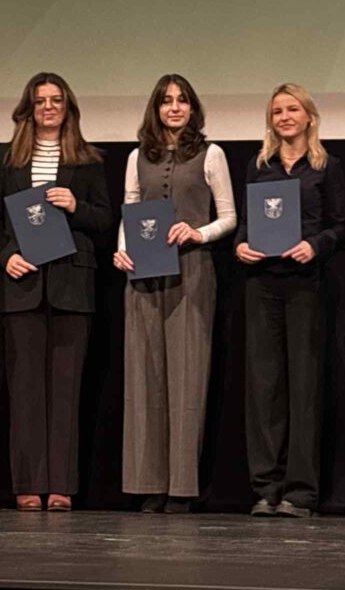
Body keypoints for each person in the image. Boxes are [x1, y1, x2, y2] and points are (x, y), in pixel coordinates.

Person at [0, 72, 111, 511]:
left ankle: (61, 485)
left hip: (72, 282)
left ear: (68, 107)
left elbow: (105, 219)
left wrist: (76, 206)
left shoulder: (89, 160)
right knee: (24, 389)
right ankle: (27, 482)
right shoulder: (4, 159)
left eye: (56, 100)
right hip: (22, 282)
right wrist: (5, 256)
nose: (49, 107)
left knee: (66, 389)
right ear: (29, 109)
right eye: (40, 101)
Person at [113, 74, 236, 514]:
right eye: (166, 101)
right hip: (144, 274)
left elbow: (229, 217)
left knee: (187, 379)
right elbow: (129, 210)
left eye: (182, 100)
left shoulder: (211, 154)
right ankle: (149, 484)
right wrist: (121, 250)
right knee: (144, 377)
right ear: (156, 108)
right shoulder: (137, 157)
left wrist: (198, 233)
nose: (174, 107)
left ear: (193, 107)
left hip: (192, 272)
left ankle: (182, 487)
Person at [235, 83, 345, 519]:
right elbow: (246, 224)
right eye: (277, 111)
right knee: (264, 388)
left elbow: (342, 226)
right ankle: (266, 486)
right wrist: (241, 245)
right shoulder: (258, 166)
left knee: (303, 387)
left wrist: (315, 245)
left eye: (292, 109)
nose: (284, 117)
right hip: (261, 284)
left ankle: (300, 492)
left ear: (308, 117)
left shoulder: (326, 166)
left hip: (305, 284)